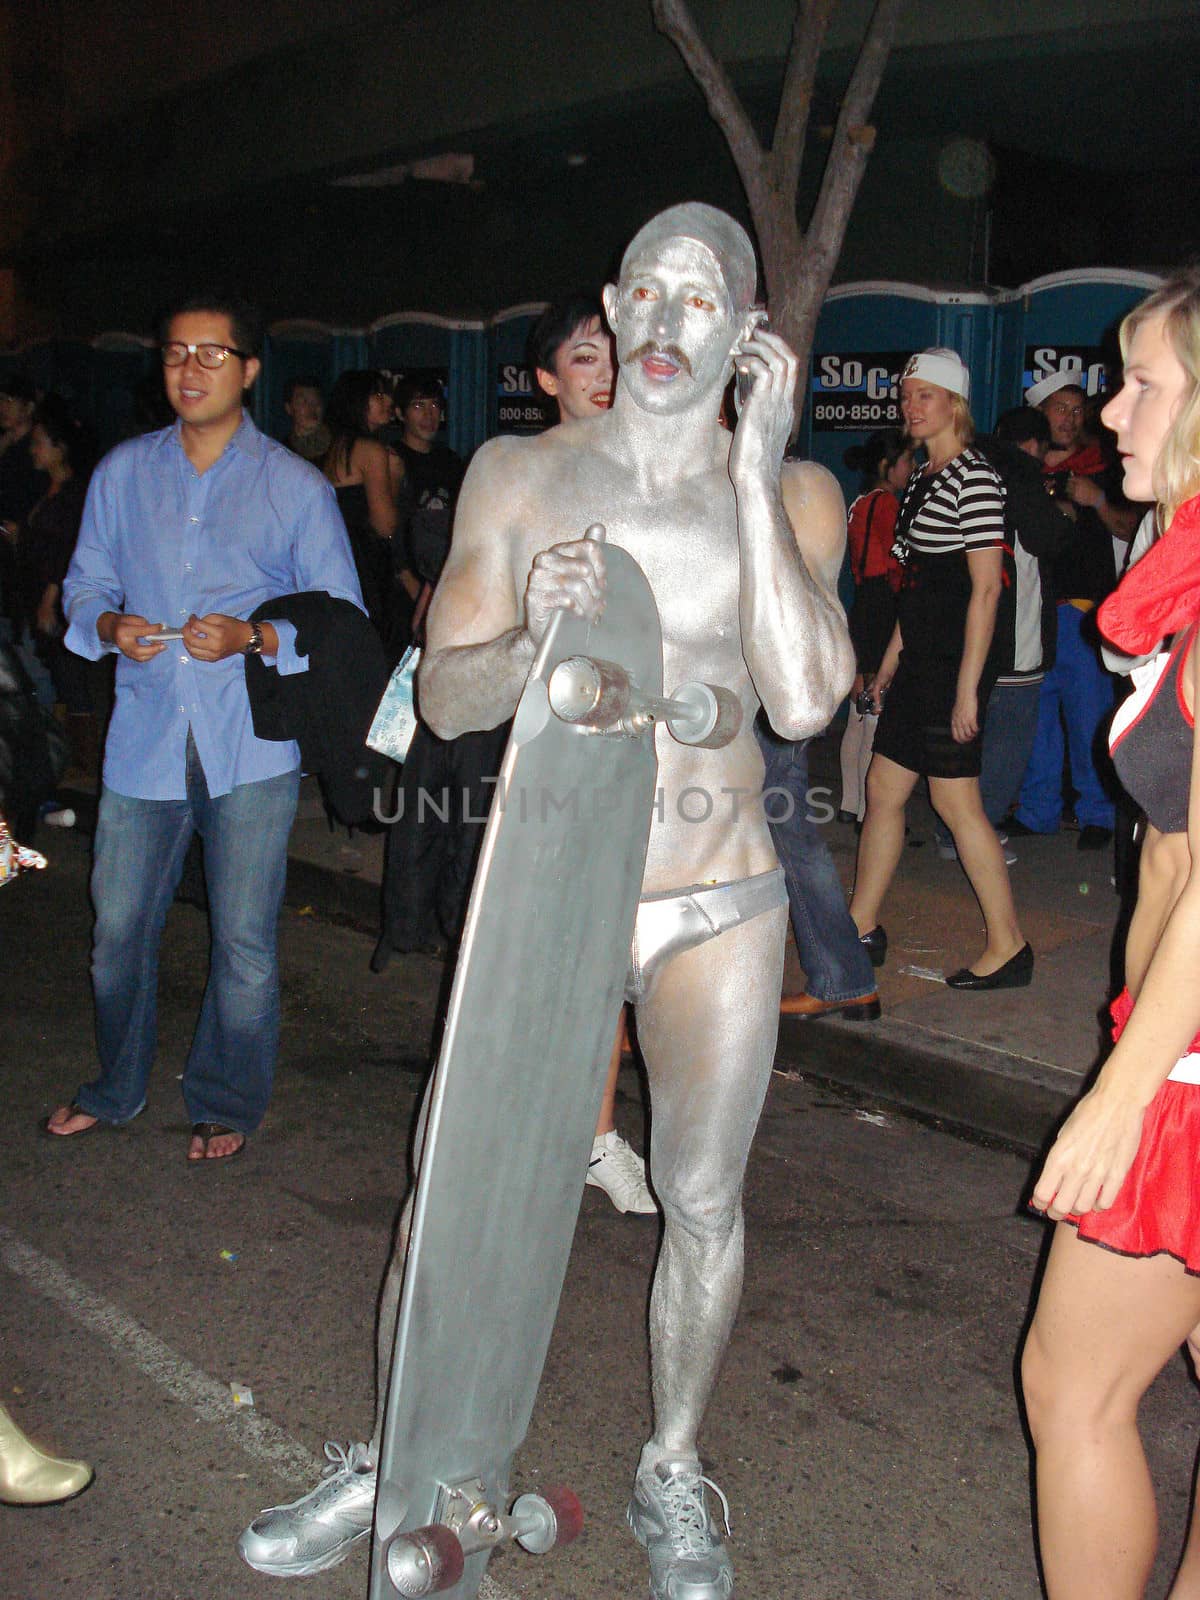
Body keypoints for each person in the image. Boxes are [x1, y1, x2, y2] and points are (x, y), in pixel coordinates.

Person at [238, 202, 852, 1598]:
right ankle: (401, 1455)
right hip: (549, 892)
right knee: (455, 1192)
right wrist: (530, 629)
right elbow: (444, 697)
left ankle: (672, 1465)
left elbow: (809, 695)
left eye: (701, 301)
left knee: (700, 1197)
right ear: (612, 306)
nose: (665, 323)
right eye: (645, 292)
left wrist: (756, 473)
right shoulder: (521, 475)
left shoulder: (799, 492)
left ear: (747, 332)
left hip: (716, 897)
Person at [44, 289, 362, 1162]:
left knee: (245, 942)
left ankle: (226, 1097)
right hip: (143, 740)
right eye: (177, 352)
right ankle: (117, 1086)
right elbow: (85, 584)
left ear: (250, 371)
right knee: (115, 937)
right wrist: (108, 627)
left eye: (211, 354)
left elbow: (341, 616)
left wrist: (256, 636)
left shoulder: (291, 486)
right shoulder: (122, 473)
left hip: (250, 745)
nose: (190, 369)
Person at [1020, 268, 1200, 1600]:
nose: (1111, 405)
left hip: (1187, 1072)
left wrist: (1120, 1096)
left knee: (1071, 1390)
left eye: (1143, 381)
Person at [849, 347, 1031, 990]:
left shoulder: (975, 476)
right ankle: (861, 923)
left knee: (957, 804)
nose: (910, 406)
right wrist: (889, 666)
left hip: (955, 665)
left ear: (955, 402)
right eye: (906, 396)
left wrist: (966, 693)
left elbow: (985, 590)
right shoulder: (926, 477)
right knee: (882, 788)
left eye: (924, 395)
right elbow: (918, 590)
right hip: (923, 663)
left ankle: (1009, 945)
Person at [528, 292, 653, 1211]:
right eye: (582, 357)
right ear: (546, 380)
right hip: (554, 756)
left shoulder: (663, 471)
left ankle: (595, 1132)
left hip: (654, 752)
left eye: (614, 353)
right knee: (568, 957)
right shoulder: (523, 480)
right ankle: (574, 1132)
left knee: (620, 957)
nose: (604, 370)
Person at [1010, 370, 1139, 849]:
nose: (1071, 417)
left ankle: (1098, 815)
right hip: (1033, 613)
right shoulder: (1024, 470)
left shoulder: (1104, 468)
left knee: (1090, 719)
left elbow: (1132, 529)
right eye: (1061, 408)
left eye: (1077, 409)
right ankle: (1038, 810)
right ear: (1041, 413)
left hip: (1085, 615)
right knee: (1037, 720)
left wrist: (1098, 500)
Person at [932, 405, 1066, 860]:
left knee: (965, 737)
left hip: (963, 630)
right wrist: (1061, 512)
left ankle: (951, 831)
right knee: (1007, 741)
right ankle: (974, 837)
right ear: (1035, 446)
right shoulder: (1021, 473)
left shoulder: (962, 464)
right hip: (1013, 637)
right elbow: (1049, 540)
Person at [838, 428, 912, 823]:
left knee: (859, 710)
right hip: (885, 605)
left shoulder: (859, 502)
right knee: (876, 709)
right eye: (906, 461)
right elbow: (899, 560)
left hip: (864, 603)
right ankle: (869, 810)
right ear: (889, 465)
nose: (911, 468)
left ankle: (850, 804)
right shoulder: (889, 506)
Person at [320, 370, 401, 647]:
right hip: (366, 566)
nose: (387, 401)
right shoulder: (371, 451)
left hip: (333, 562)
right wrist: (395, 479)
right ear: (359, 402)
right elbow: (385, 525)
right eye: (378, 395)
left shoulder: (334, 447)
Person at [281, 375, 331, 464]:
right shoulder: (283, 452)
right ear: (289, 408)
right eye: (303, 402)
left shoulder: (338, 447)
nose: (311, 408)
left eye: (316, 401)